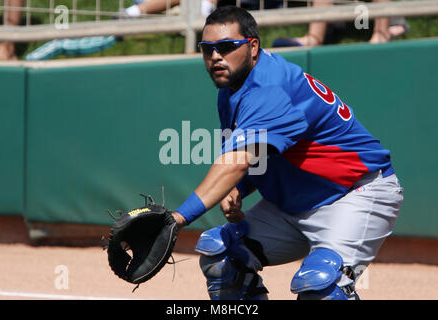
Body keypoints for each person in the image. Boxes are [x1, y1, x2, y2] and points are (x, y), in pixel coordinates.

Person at [170, 5, 403, 300]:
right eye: (208, 49)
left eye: (227, 47)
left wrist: (178, 219)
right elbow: (263, 155)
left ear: (253, 47)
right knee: (222, 256)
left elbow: (238, 161)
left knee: (322, 288)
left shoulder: (271, 88)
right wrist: (236, 187)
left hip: (354, 193)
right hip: (294, 205)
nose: (216, 56)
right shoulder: (231, 88)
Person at [272, 0, 408, 47]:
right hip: (342, 16)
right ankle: (313, 38)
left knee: (382, 33)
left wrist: (380, 34)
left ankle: (382, 34)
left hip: (378, 20)